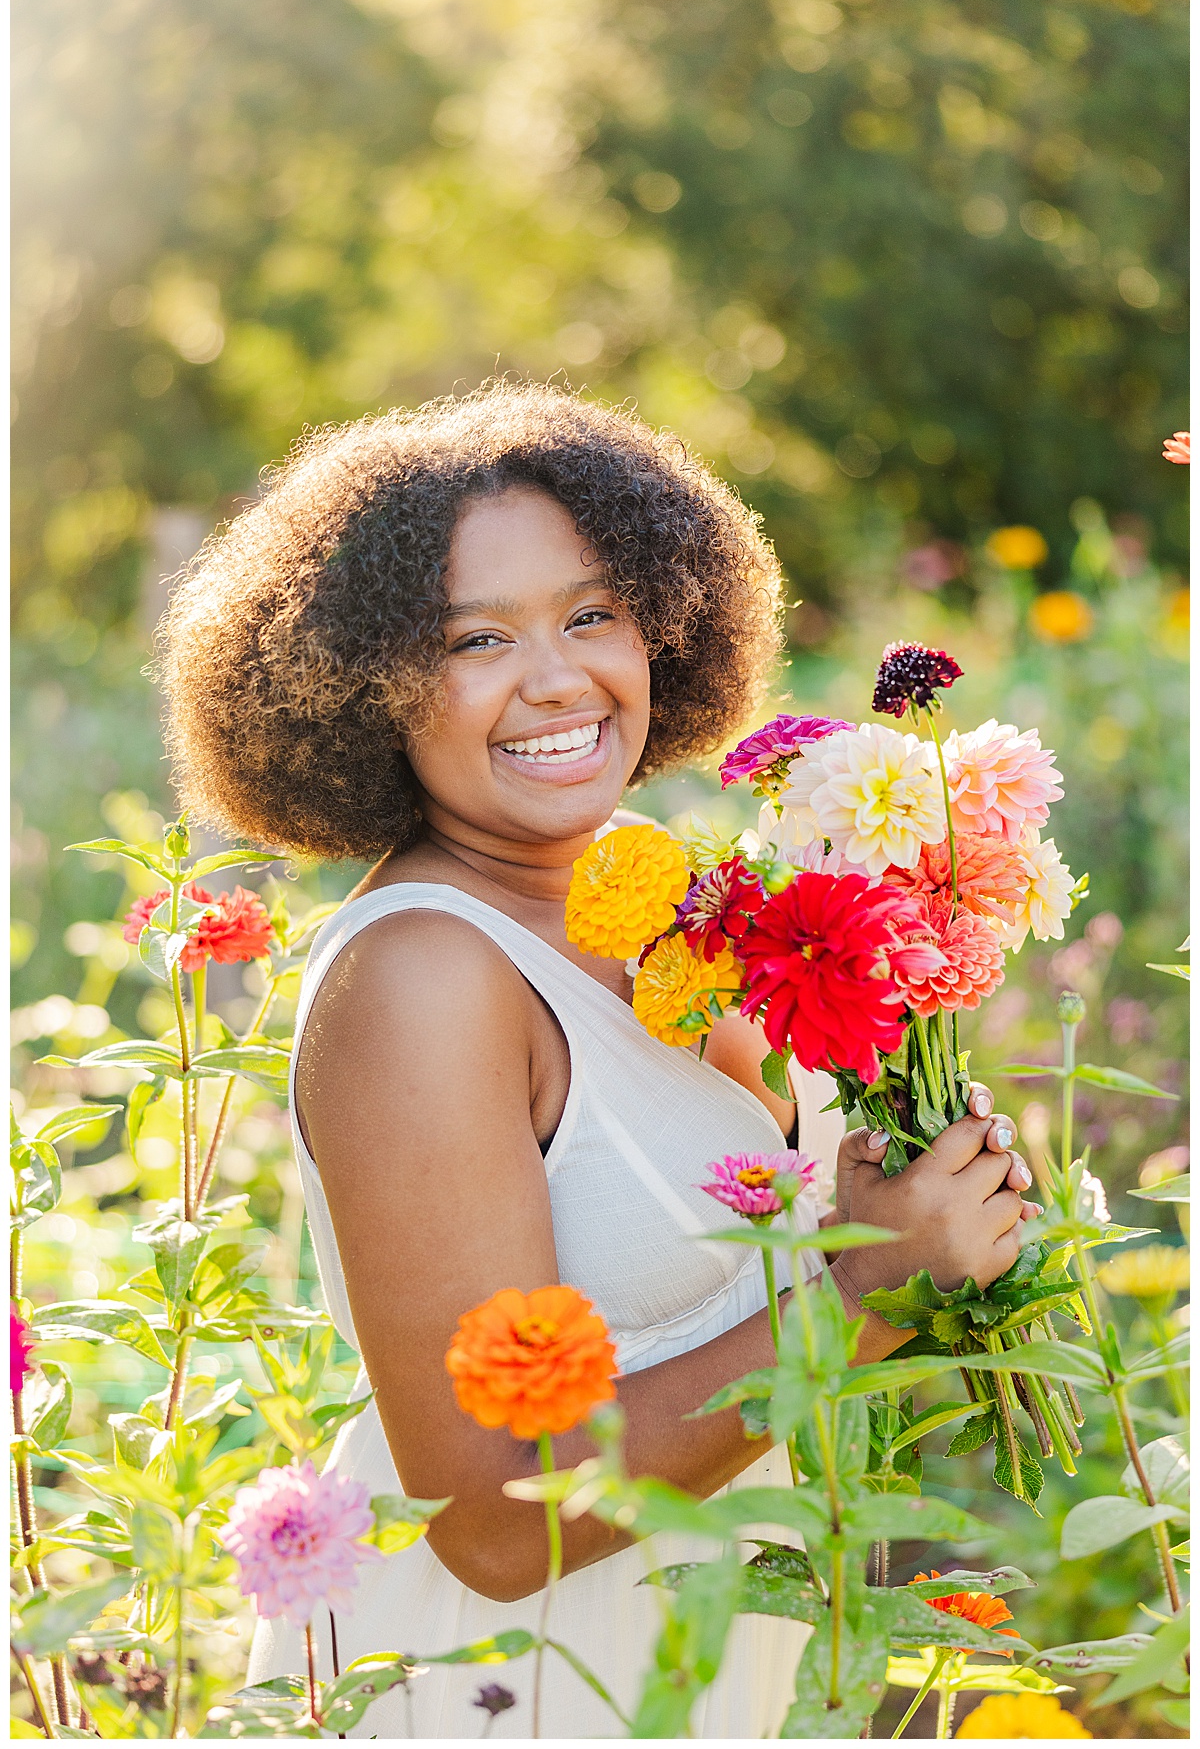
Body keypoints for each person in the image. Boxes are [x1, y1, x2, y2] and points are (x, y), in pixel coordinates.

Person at [159, 382, 1036, 1737]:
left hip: (705, 1650)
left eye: (589, 613)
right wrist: (866, 1285)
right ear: (369, 684)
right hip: (521, 1678)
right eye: (477, 637)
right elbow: (497, 1520)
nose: (558, 675)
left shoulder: (652, 902)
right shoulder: (424, 977)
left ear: (665, 623)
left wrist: (936, 1185)